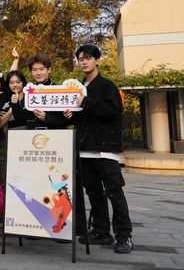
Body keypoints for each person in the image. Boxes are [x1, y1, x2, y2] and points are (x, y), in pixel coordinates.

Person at [63, 44, 133, 254]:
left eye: (88, 58)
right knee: (93, 192)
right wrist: (70, 115)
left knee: (114, 192)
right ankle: (101, 231)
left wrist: (86, 101)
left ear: (97, 60)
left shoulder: (106, 85)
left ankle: (124, 235)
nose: (84, 61)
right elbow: (82, 115)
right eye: (81, 58)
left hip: (105, 149)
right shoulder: (77, 87)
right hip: (84, 149)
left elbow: (112, 111)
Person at [0, 70, 29, 189]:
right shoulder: (6, 103)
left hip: (31, 140)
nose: (15, 85)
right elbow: (0, 124)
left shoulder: (31, 99)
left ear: (23, 83)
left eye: (18, 82)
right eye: (11, 82)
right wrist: (12, 108)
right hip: (14, 142)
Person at [25, 53, 67, 130]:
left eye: (41, 69)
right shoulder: (29, 92)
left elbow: (66, 120)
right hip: (33, 136)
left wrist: (46, 118)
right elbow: (21, 119)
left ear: (49, 69)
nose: (38, 73)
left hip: (54, 135)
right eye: (34, 70)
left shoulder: (58, 90)